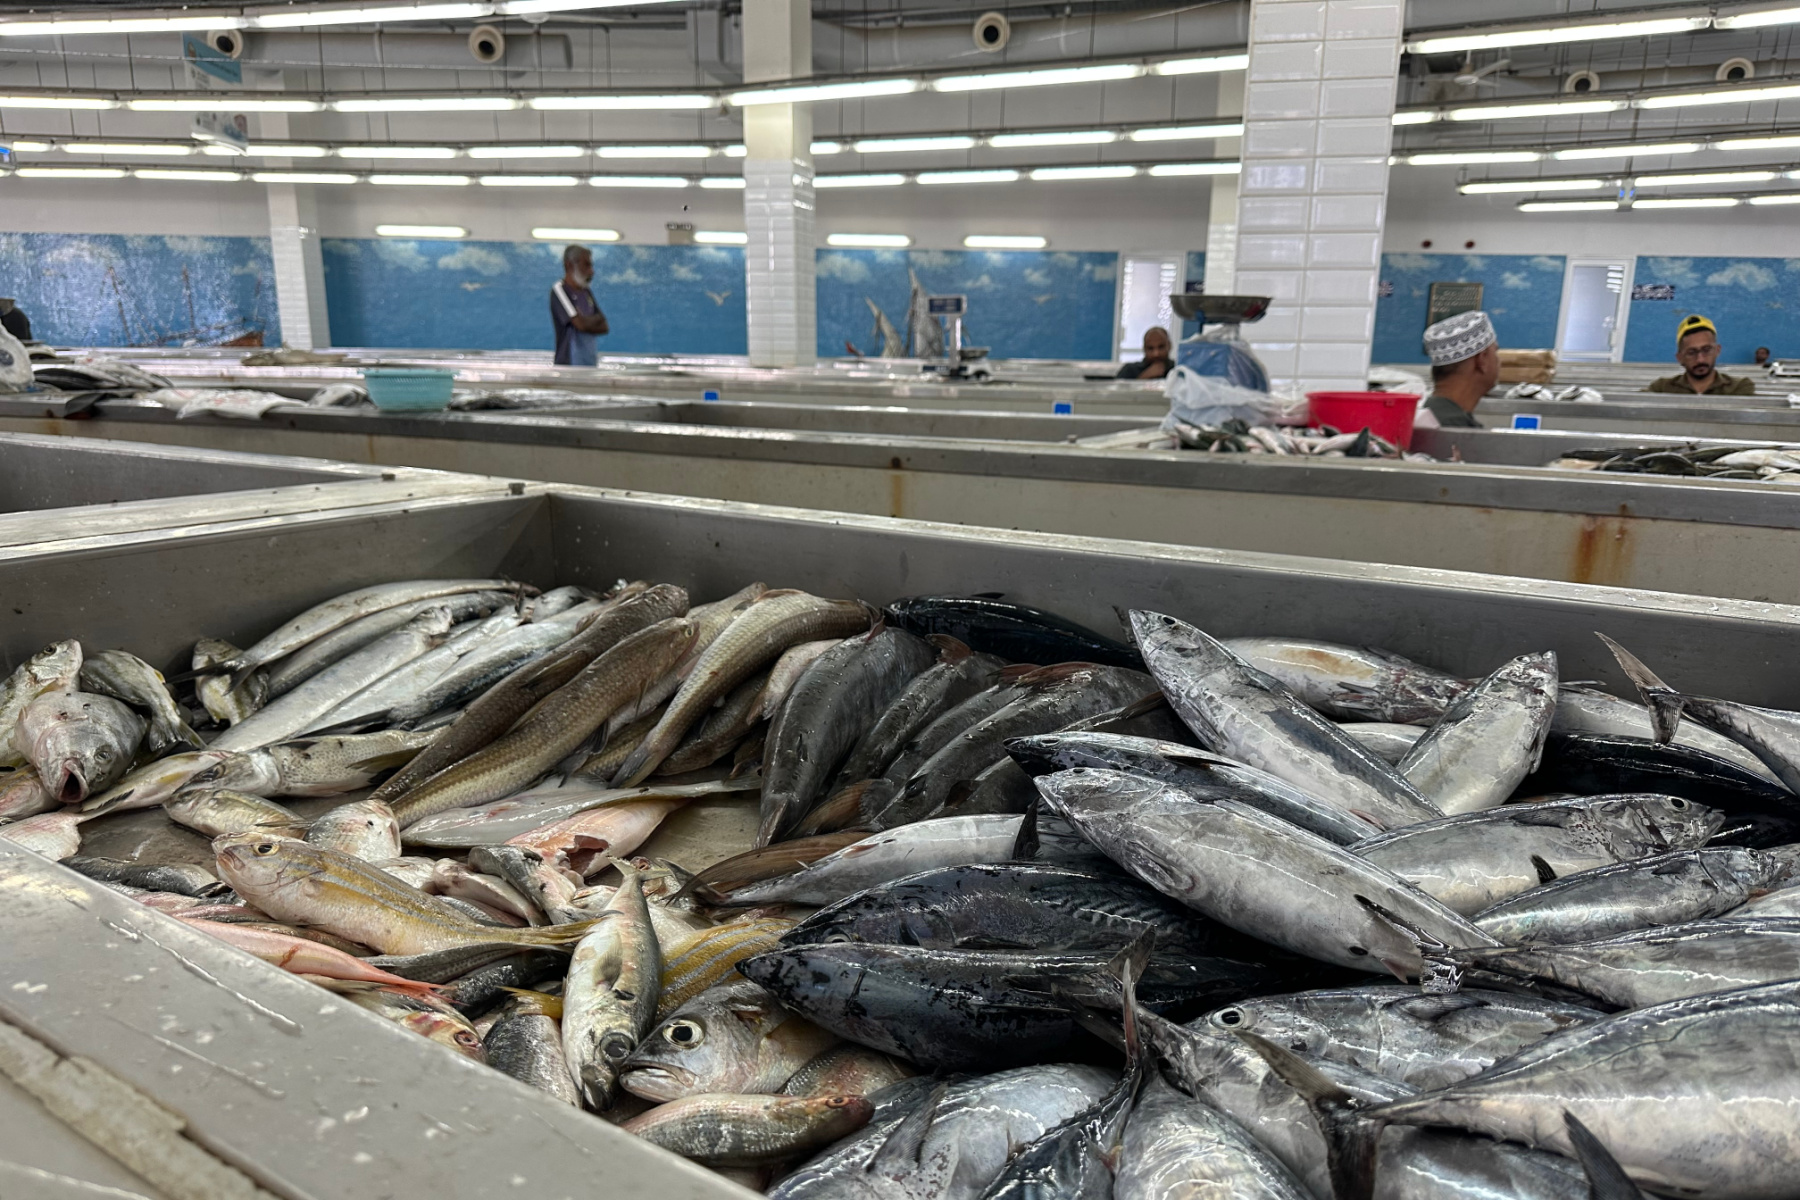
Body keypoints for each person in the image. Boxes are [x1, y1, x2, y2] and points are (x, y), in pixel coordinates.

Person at [1417, 309, 1500, 429]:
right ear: (1482, 360)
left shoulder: (1428, 415)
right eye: (1495, 351)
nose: (1498, 360)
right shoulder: (1454, 429)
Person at [1647, 315, 1755, 396]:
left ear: (1717, 351)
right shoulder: (1661, 388)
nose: (1700, 359)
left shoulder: (1739, 387)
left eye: (1706, 350)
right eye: (1691, 352)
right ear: (1679, 358)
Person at [550, 245, 608, 367]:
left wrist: (584, 321)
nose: (591, 271)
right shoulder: (560, 290)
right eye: (586, 265)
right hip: (568, 365)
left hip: (590, 363)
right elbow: (579, 324)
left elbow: (604, 326)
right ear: (569, 265)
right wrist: (591, 321)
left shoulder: (586, 292)